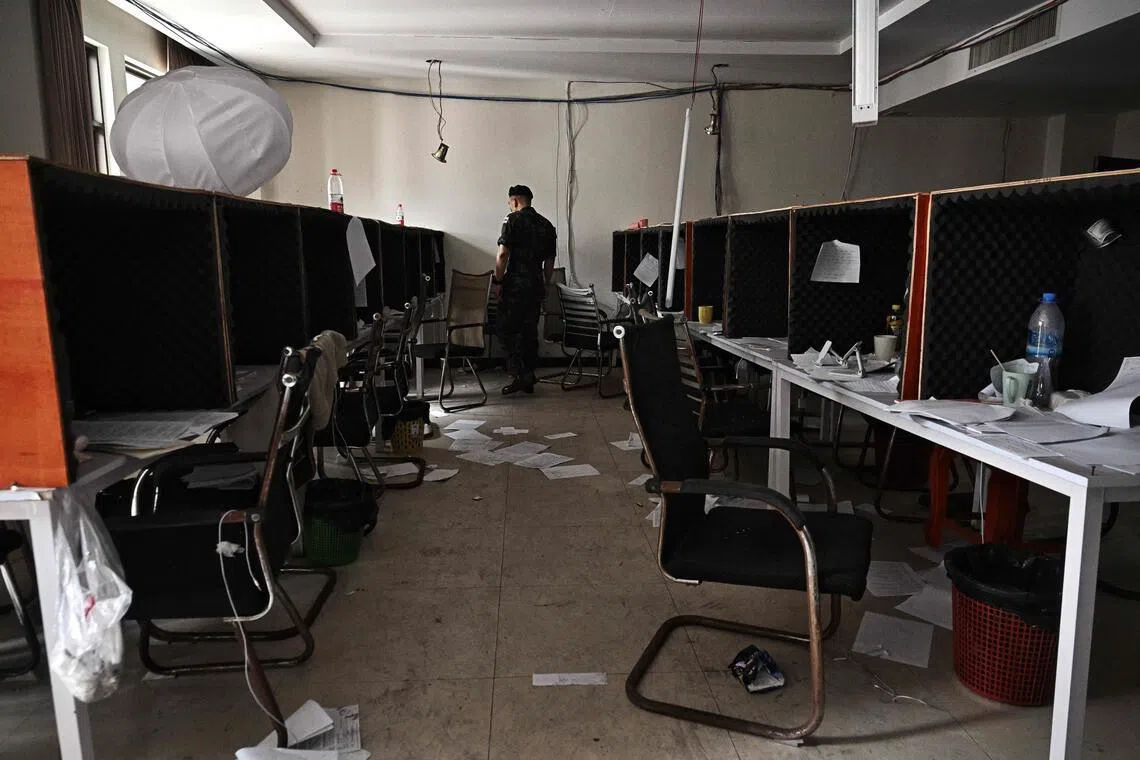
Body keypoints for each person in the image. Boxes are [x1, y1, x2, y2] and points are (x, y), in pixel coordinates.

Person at [494, 184, 557, 395]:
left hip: (514, 285)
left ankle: (520, 375)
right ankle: (528, 376)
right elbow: (550, 262)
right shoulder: (547, 225)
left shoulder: (512, 220)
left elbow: (503, 255)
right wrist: (546, 284)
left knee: (506, 329)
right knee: (529, 332)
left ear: (514, 201)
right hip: (535, 284)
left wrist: (498, 282)